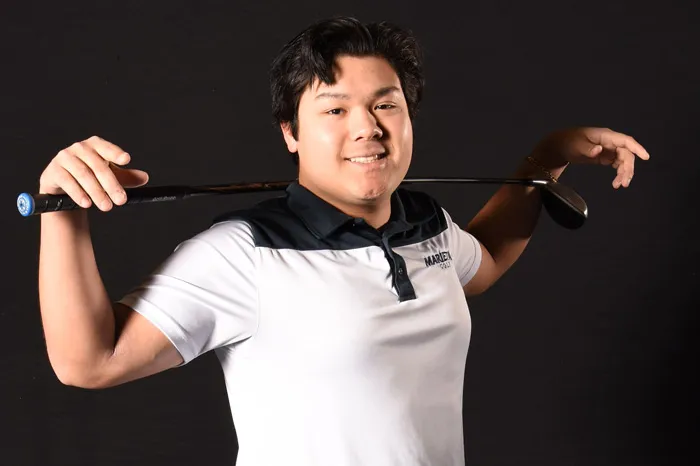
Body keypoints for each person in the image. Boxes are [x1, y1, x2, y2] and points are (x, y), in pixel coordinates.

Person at [36, 16, 650, 466]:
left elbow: (482, 261)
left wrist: (549, 159)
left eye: (387, 105)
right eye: (334, 110)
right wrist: (63, 213)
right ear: (290, 133)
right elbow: (89, 362)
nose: (368, 128)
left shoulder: (426, 225)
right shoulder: (246, 253)